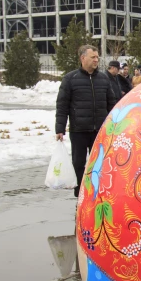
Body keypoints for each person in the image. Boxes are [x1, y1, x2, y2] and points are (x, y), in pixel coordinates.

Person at [55, 45, 116, 198]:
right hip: (79, 130)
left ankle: (99, 191)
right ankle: (80, 192)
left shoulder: (104, 79)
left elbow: (112, 104)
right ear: (83, 58)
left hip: (99, 131)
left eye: (97, 57)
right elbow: (62, 105)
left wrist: (115, 125)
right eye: (93, 57)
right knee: (79, 163)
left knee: (100, 163)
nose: (96, 60)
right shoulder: (70, 79)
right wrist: (60, 128)